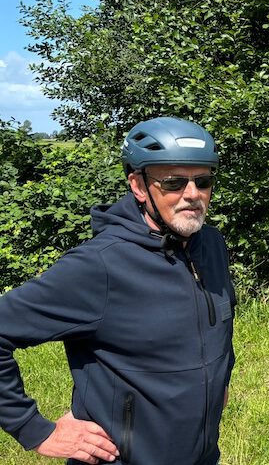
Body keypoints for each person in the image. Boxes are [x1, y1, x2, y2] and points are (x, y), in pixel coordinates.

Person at [0, 117, 236, 464]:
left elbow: (221, 321)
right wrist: (35, 429)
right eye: (173, 182)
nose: (192, 195)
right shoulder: (100, 266)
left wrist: (220, 379)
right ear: (138, 186)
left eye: (203, 181)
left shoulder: (211, 245)